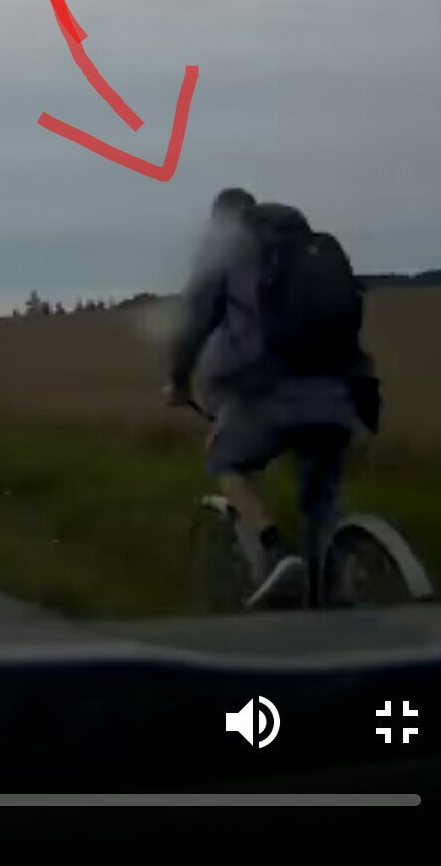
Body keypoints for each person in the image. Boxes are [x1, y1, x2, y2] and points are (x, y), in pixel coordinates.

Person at [165, 188, 373, 608]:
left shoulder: (226, 251)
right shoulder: (310, 248)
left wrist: (178, 381)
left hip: (265, 392)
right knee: (321, 499)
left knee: (225, 461)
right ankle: (340, 581)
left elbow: (194, 321)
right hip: (337, 393)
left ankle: (275, 550)